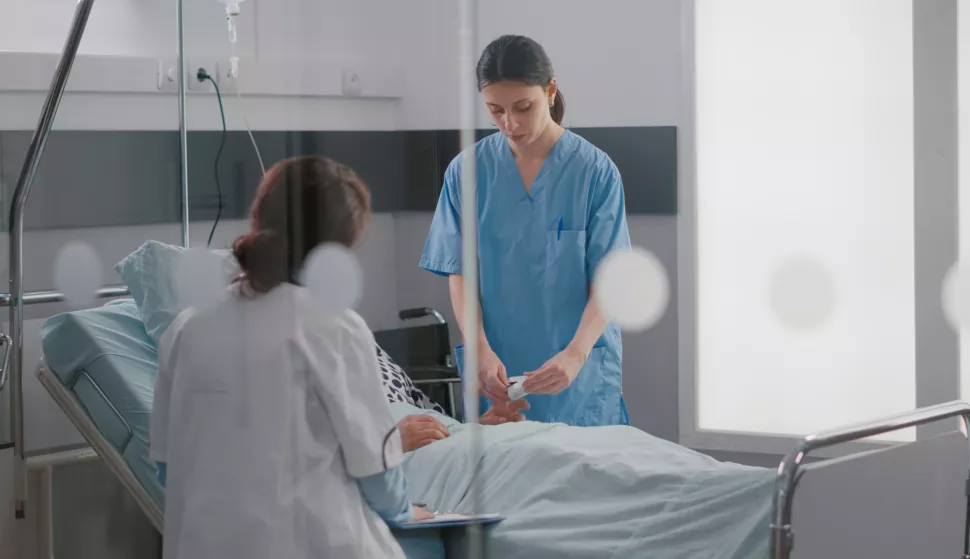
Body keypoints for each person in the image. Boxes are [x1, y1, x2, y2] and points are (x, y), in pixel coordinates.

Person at [150, 156, 431, 559]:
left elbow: (165, 467)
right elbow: (379, 477)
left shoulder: (185, 329)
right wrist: (409, 512)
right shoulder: (333, 325)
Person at [420, 35, 632, 427]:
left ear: (550, 91)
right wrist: (479, 348)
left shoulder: (595, 172)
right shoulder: (466, 173)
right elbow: (459, 272)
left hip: (576, 372)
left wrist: (576, 354)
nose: (509, 123)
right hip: (498, 370)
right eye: (495, 110)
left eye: (523, 107)